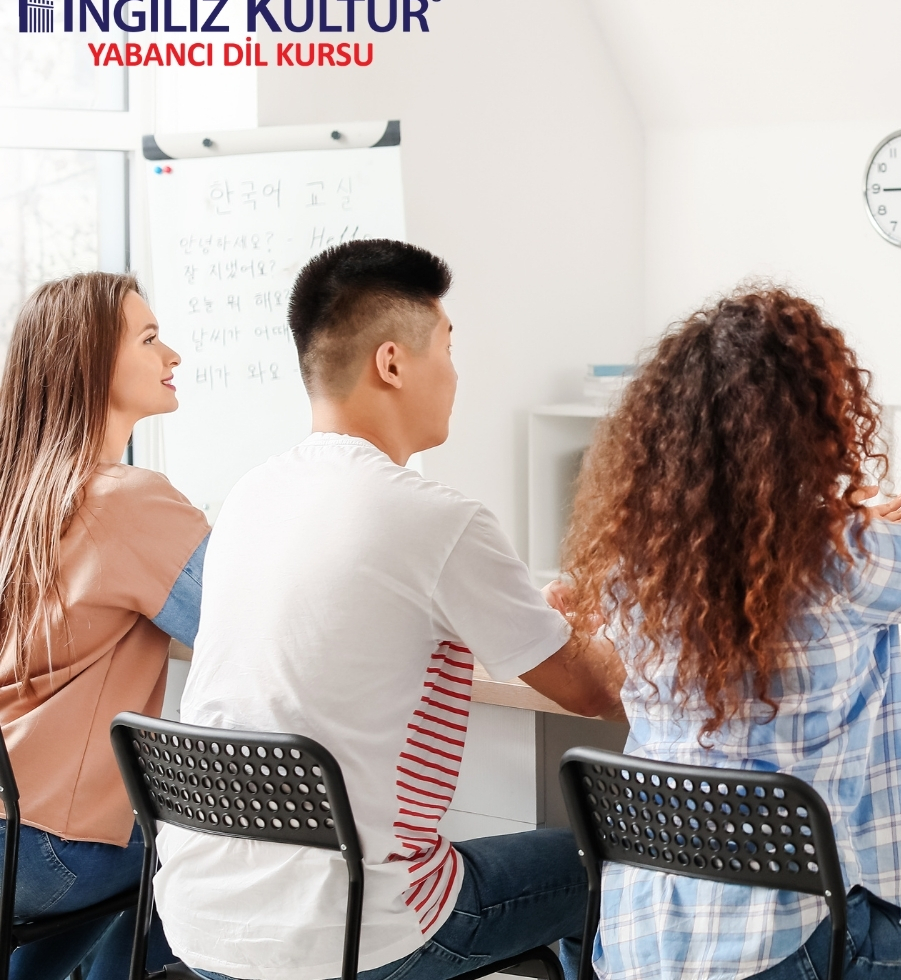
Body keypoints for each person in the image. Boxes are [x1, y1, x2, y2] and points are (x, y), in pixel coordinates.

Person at [564, 228, 901, 980]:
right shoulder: (848, 559)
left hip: (633, 950)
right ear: (817, 421)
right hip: (785, 958)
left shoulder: (633, 562)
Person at [153, 241, 626, 980]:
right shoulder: (435, 519)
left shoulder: (250, 496)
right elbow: (597, 692)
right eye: (447, 346)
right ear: (393, 363)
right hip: (355, 935)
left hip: (198, 922)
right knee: (603, 859)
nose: (457, 373)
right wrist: (592, 631)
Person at [0, 273, 205, 980]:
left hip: (11, 849)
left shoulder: (16, 494)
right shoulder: (126, 500)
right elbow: (241, 628)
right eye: (150, 339)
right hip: (48, 848)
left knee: (146, 860)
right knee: (192, 858)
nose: (172, 355)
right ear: (92, 363)